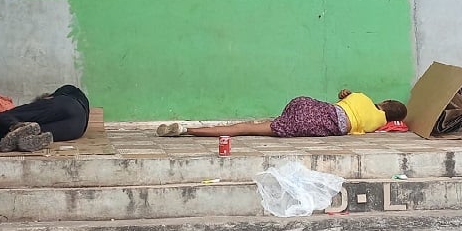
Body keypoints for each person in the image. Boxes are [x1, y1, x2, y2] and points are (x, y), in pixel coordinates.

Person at [156, 89, 407, 138]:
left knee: (251, 125)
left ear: (384, 102)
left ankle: (186, 128)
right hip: (316, 125)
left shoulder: (362, 97)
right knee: (247, 129)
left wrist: (345, 94)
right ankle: (187, 131)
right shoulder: (377, 126)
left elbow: (343, 95)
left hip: (310, 107)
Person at [0, 85, 90, 152]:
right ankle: (26, 140)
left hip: (69, 104)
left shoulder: (62, 93)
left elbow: (0, 118)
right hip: (77, 128)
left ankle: (17, 126)